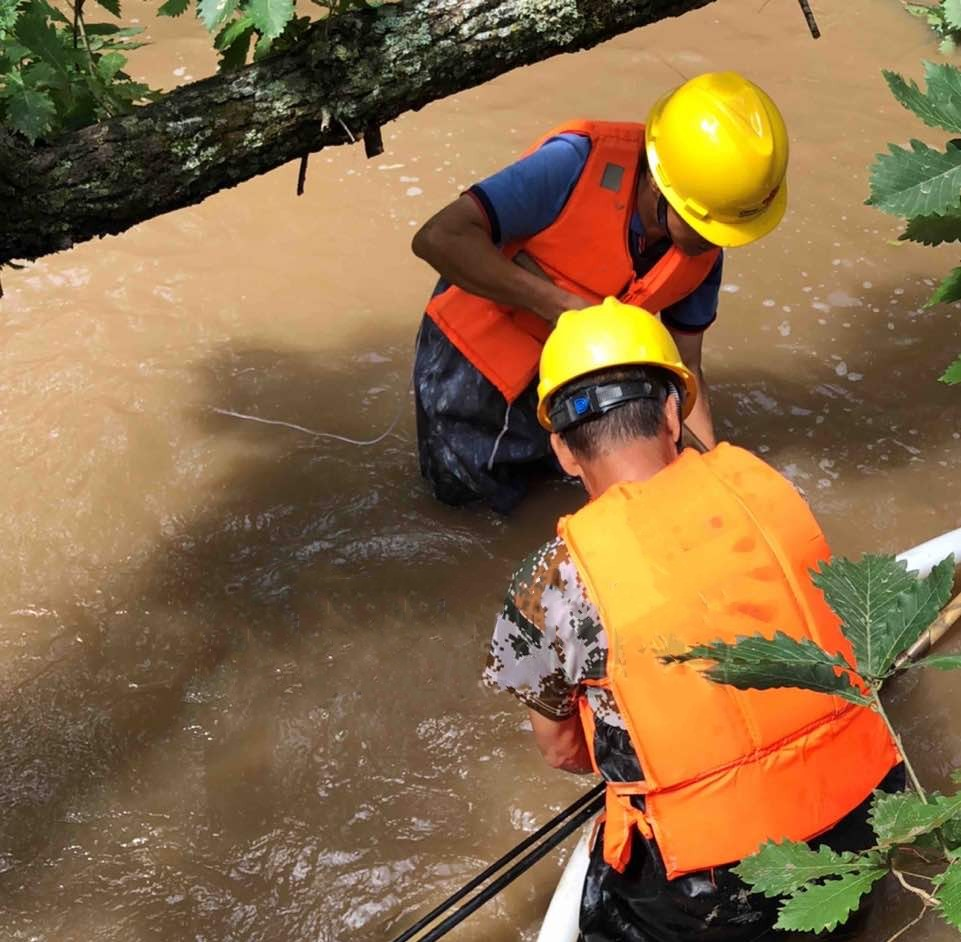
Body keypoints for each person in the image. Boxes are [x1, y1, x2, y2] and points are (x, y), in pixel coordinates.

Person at [483, 297, 903, 942]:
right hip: (868, 807)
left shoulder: (551, 583)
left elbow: (564, 752)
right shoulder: (766, 489)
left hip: (713, 877)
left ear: (564, 452)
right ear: (673, 413)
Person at [411, 71, 789, 514]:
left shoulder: (703, 246)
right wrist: (565, 308)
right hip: (475, 364)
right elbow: (438, 237)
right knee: (468, 514)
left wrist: (710, 469)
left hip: (576, 387)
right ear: (660, 186)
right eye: (707, 227)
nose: (717, 242)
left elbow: (688, 366)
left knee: (575, 506)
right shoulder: (573, 163)